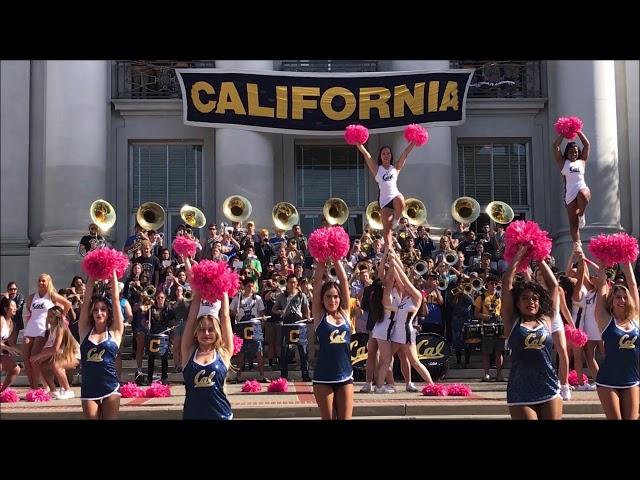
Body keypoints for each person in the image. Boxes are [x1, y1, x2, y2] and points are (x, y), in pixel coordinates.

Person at [500, 245, 567, 420]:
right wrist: (520, 253)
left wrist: (539, 257)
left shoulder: (546, 319)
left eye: (535, 299)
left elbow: (553, 286)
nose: (531, 302)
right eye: (525, 298)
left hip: (549, 385)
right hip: (520, 388)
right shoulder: (512, 321)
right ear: (517, 302)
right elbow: (507, 281)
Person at [181, 257, 233, 420]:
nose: (206, 333)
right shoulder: (188, 353)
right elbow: (191, 319)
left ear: (217, 332)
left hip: (221, 416)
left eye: (211, 330)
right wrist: (197, 286)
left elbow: (224, 317)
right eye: (202, 330)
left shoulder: (224, 353)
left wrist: (223, 284)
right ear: (196, 333)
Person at [591, 260, 639, 420]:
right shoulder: (605, 320)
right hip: (608, 380)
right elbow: (602, 285)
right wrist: (603, 259)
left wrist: (626, 261)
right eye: (618, 297)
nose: (622, 300)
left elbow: (632, 284)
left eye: (625, 297)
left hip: (632, 379)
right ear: (611, 300)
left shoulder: (636, 319)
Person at [79, 271, 125, 419]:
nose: (99, 312)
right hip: (89, 386)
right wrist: (92, 277)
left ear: (108, 313)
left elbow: (116, 300)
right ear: (92, 313)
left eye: (103, 309)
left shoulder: (115, 332)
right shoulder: (85, 330)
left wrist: (113, 272)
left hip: (110, 385)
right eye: (96, 309)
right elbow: (86, 302)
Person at [311, 259, 353, 420]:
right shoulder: (320, 316)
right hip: (323, 377)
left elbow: (343, 281)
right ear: (322, 299)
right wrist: (321, 262)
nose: (332, 300)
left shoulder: (346, 314)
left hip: (345, 375)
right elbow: (316, 285)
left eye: (335, 296)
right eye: (328, 296)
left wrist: (336, 259)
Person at [355, 141, 416, 250]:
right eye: (383, 153)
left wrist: (414, 141)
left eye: (388, 153)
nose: (386, 155)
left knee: (400, 199)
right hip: (384, 201)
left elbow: (405, 154)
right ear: (380, 156)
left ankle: (397, 220)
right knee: (387, 231)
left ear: (391, 156)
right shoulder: (377, 169)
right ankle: (389, 252)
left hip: (395, 196)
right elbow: (366, 154)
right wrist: (358, 142)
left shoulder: (395, 168)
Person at [22, 274, 72, 390]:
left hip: (43, 329)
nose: (41, 283)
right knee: (26, 358)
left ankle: (36, 387)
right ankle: (32, 386)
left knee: (34, 358)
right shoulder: (32, 297)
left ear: (48, 282)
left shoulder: (52, 295)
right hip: (30, 328)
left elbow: (67, 304)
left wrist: (61, 317)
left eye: (43, 281)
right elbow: (30, 311)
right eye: (39, 280)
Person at [552, 130, 591, 253]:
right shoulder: (563, 163)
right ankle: (577, 245)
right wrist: (564, 133)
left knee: (583, 194)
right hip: (570, 194)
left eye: (575, 152)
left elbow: (587, 145)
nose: (574, 154)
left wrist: (578, 131)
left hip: (582, 188)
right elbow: (555, 146)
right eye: (571, 152)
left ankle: (581, 214)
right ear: (567, 153)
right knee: (574, 225)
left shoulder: (582, 162)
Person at [30, 306, 79, 399]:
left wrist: (39, 356)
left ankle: (68, 390)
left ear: (57, 317)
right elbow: (47, 348)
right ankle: (54, 392)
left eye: (51, 316)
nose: (48, 318)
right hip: (64, 354)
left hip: (76, 354)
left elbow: (55, 349)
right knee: (43, 365)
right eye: (48, 315)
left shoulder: (60, 327)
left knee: (57, 365)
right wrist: (40, 358)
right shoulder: (52, 329)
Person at [1, 297, 21, 392]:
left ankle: (1, 392)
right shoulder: (1, 320)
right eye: (13, 306)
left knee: (15, 369)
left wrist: (22, 352)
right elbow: (8, 347)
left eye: (16, 306)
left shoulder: (13, 324)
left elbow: (12, 344)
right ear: (5, 308)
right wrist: (7, 348)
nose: (15, 308)